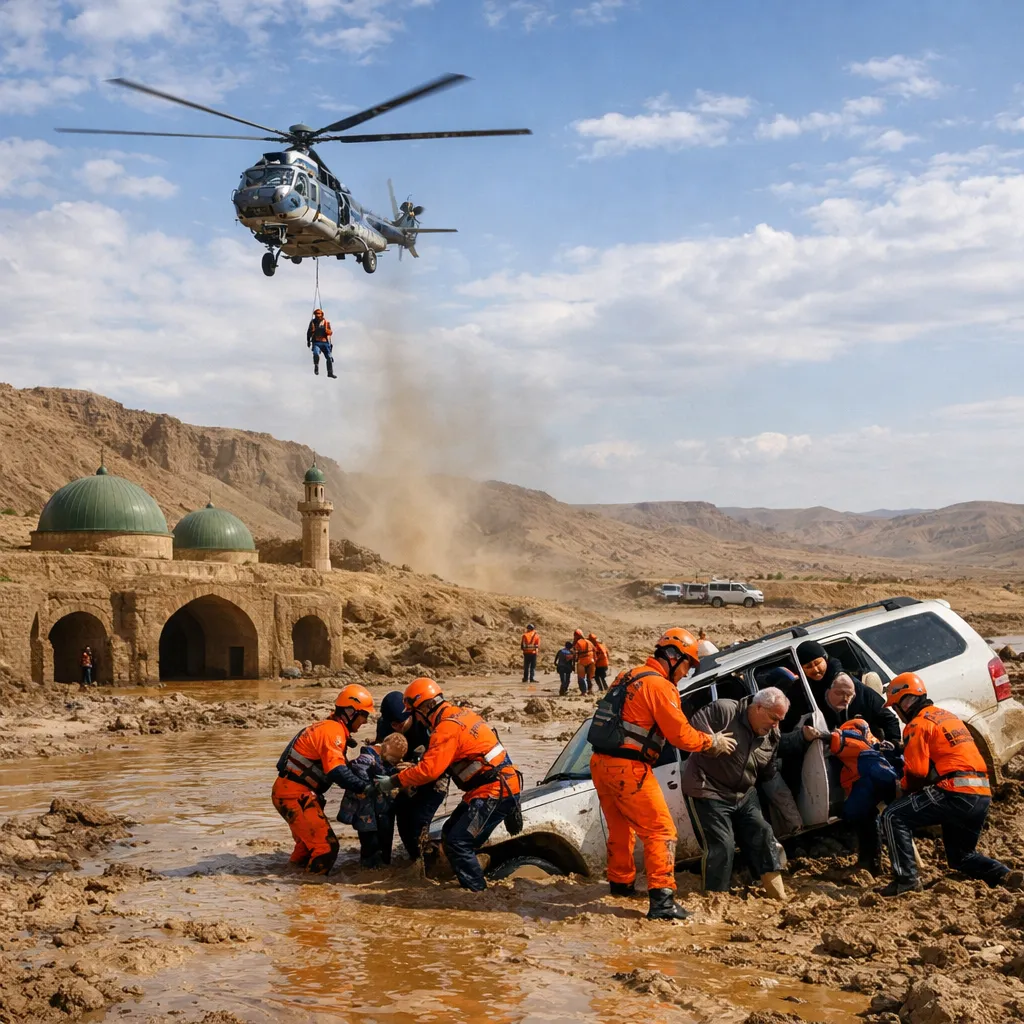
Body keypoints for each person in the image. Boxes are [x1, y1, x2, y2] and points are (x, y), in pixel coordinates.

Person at [588, 628, 737, 921]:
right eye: (688, 665)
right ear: (673, 656)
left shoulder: (627, 675)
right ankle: (663, 901)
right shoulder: (660, 687)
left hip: (600, 764)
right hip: (629, 769)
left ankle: (620, 884)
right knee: (661, 831)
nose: (687, 672)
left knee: (620, 829)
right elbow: (681, 736)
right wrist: (712, 742)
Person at [373, 678, 522, 892]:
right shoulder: (464, 714)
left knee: (458, 842)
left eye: (414, 713)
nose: (417, 720)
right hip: (497, 786)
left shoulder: (446, 729)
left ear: (425, 708)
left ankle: (477, 895)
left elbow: (429, 771)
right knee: (449, 831)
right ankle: (472, 876)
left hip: (493, 791)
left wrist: (393, 781)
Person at [879, 672, 1019, 896]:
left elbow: (916, 771)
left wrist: (903, 790)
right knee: (961, 857)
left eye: (895, 707)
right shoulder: (946, 716)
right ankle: (1005, 875)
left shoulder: (917, 725)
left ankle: (906, 880)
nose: (898, 714)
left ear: (905, 702)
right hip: (980, 794)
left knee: (893, 816)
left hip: (955, 792)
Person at [682, 687, 803, 899]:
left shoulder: (772, 734)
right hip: (708, 789)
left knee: (763, 832)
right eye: (774, 717)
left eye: (780, 719)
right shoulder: (725, 710)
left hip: (743, 793)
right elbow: (691, 727)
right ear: (758, 708)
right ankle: (715, 899)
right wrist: (711, 742)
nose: (776, 724)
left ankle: (777, 895)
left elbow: (768, 772)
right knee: (723, 845)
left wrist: (787, 809)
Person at [271, 685, 374, 875]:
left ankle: (290, 881)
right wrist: (366, 787)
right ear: (351, 712)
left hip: (288, 791)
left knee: (306, 846)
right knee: (326, 849)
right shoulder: (332, 732)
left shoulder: (328, 727)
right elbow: (337, 771)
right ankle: (313, 893)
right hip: (294, 795)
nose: (366, 721)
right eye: (364, 715)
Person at [374, 690, 445, 860]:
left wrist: (416, 765)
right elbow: (382, 757)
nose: (398, 727)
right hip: (402, 776)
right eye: (393, 725)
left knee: (419, 818)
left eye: (401, 722)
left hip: (433, 771)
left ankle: (428, 860)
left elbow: (438, 761)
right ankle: (408, 858)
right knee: (400, 815)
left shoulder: (425, 723)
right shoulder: (384, 725)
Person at [828, 717, 900, 874]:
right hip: (889, 782)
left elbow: (835, 739)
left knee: (862, 817)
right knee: (888, 820)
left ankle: (871, 864)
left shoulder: (849, 738)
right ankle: (880, 864)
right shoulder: (872, 741)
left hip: (868, 785)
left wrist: (820, 735)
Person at [337, 732, 409, 868]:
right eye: (393, 759)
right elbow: (357, 772)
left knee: (385, 841)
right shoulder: (366, 759)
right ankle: (368, 868)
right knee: (369, 843)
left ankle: (383, 867)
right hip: (365, 812)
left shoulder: (385, 760)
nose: (394, 763)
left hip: (383, 810)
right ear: (385, 749)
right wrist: (379, 777)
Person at [306, 308, 337, 378]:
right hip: (316, 342)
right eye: (316, 314)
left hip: (325, 342)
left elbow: (330, 332)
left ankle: (330, 373)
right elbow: (308, 332)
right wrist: (308, 341)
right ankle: (316, 366)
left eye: (319, 313)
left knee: (329, 358)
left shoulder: (326, 322)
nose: (318, 315)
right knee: (316, 354)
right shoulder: (313, 322)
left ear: (322, 314)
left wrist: (326, 330)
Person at [572, 629, 595, 695]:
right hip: (591, 660)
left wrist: (573, 664)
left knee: (581, 678)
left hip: (582, 661)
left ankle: (583, 692)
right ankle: (590, 690)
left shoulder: (578, 643)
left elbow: (574, 654)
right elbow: (594, 651)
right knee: (589, 678)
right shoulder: (589, 642)